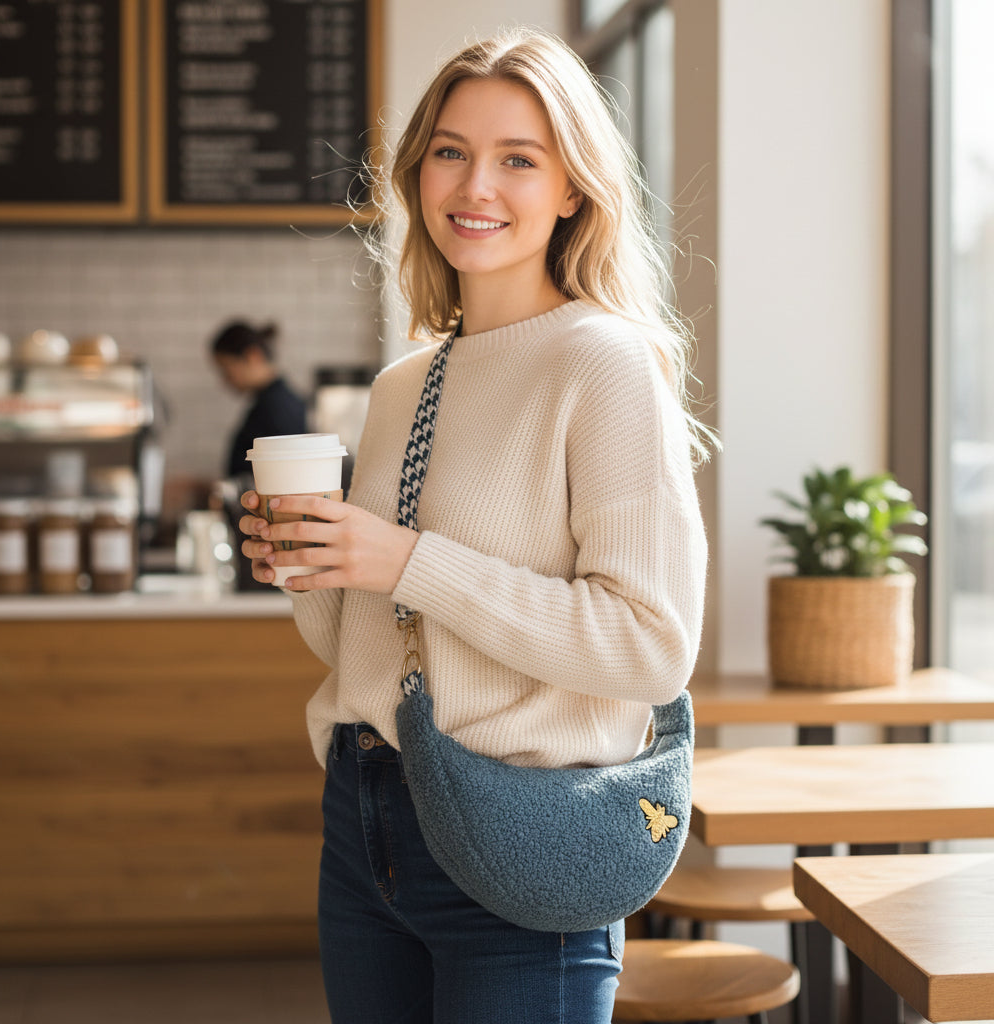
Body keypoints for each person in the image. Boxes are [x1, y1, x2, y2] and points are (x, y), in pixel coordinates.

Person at [238, 27, 711, 1024]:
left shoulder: (603, 363)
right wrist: (312, 566)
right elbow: (357, 641)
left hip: (521, 828)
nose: (473, 185)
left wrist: (409, 560)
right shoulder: (404, 383)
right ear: (417, 171)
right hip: (366, 818)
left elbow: (651, 644)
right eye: (449, 151)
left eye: (517, 159)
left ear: (573, 189)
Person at [209, 319, 308, 480]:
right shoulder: (269, 402)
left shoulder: (278, 407)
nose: (225, 380)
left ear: (252, 356)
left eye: (226, 369)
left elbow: (284, 476)